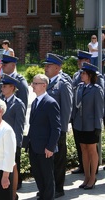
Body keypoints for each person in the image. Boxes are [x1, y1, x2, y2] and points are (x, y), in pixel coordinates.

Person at [24, 74, 61, 200]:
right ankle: (42, 196)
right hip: (34, 147)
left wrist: (50, 147)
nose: (32, 85)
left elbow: (56, 128)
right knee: (38, 175)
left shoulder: (50, 103)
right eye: (33, 83)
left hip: (45, 149)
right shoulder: (35, 102)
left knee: (47, 177)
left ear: (44, 85)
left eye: (35, 83)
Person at [44, 53, 73, 198]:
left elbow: (67, 108)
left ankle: (58, 188)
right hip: (46, 129)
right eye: (46, 65)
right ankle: (49, 187)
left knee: (58, 160)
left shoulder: (62, 84)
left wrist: (62, 129)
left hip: (57, 129)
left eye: (49, 66)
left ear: (57, 67)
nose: (46, 68)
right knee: (48, 161)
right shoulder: (46, 83)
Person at [71, 50, 104, 174]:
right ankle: (83, 166)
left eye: (81, 60)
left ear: (88, 61)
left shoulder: (97, 78)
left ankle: (92, 170)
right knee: (81, 146)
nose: (79, 62)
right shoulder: (76, 75)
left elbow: (100, 98)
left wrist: (98, 122)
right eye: (78, 60)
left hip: (90, 117)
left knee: (91, 147)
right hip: (79, 117)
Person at [0, 74, 26, 199]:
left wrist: (16, 145)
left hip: (12, 143)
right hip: (0, 142)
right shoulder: (0, 101)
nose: (2, 88)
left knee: (12, 170)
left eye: (4, 86)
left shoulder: (18, 104)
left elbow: (19, 127)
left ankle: (13, 195)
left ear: (12, 88)